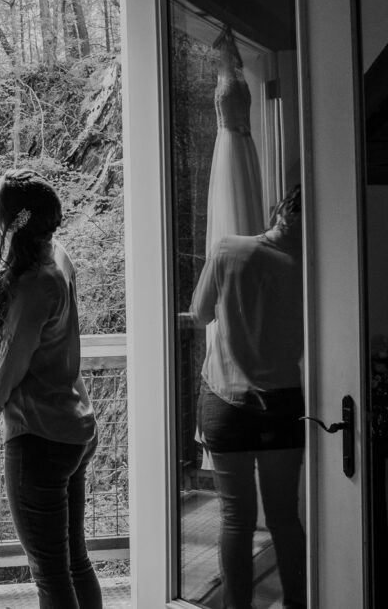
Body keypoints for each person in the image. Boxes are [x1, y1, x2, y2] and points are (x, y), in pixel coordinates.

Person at [0, 168, 100, 609]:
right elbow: (24, 323)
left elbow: (11, 365)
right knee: (74, 562)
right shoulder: (54, 259)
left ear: (16, 219)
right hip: (73, 427)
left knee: (50, 576)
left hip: (42, 439)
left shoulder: (35, 282)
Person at [190, 185, 307, 609]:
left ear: (278, 212)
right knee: (284, 516)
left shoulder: (228, 250)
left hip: (226, 401)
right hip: (283, 403)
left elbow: (201, 312)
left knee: (236, 518)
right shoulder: (307, 266)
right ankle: (298, 603)